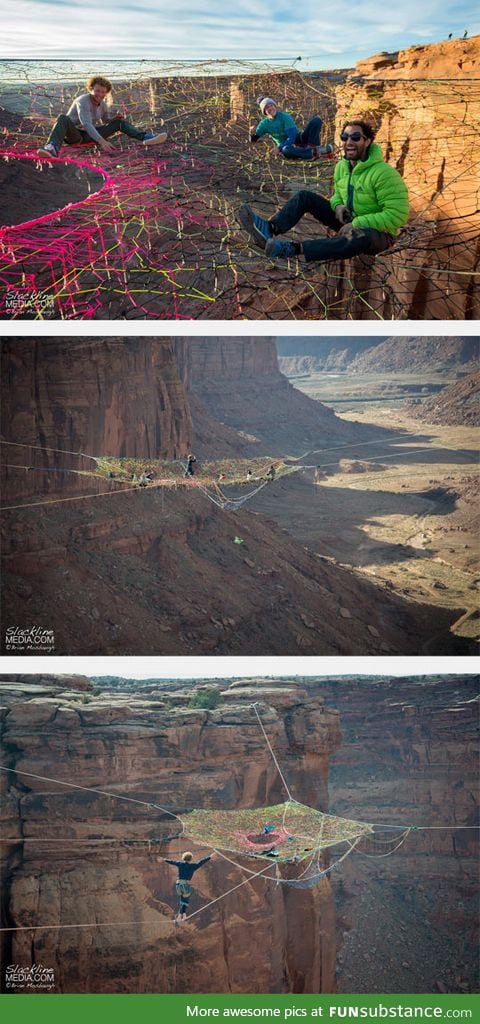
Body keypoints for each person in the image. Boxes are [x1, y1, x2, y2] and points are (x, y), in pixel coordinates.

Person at [238, 120, 409, 264]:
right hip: (350, 220)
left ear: (368, 141)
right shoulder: (343, 167)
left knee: (361, 236)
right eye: (345, 137)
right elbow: (337, 195)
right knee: (305, 197)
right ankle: (270, 228)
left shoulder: (383, 173)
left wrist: (357, 224)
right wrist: (338, 205)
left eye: (356, 137)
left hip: (378, 234)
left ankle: (291, 248)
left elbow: (397, 216)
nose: (349, 141)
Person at [37, 75, 167, 159]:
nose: (100, 94)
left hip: (88, 136)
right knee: (62, 118)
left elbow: (105, 120)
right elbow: (86, 124)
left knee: (119, 123)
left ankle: (146, 137)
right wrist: (102, 141)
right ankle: (52, 148)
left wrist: (114, 119)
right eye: (97, 90)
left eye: (103, 92)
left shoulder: (103, 104)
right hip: (74, 136)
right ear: (91, 89)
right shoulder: (82, 101)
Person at [249, 96, 333, 161]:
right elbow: (253, 140)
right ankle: (315, 152)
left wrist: (278, 148)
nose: (270, 108)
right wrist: (251, 133)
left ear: (275, 106)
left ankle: (312, 147)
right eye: (267, 107)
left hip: (299, 139)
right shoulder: (264, 124)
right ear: (264, 112)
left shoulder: (285, 117)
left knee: (316, 121)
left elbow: (292, 137)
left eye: (271, 105)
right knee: (286, 150)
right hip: (286, 146)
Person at [165, 851, 212, 924]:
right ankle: (181, 915)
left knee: (182, 899)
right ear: (191, 859)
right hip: (185, 885)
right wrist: (210, 857)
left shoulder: (180, 864)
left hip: (178, 885)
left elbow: (172, 862)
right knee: (185, 900)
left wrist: (164, 859)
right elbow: (201, 862)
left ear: (183, 858)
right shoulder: (193, 866)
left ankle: (182, 915)